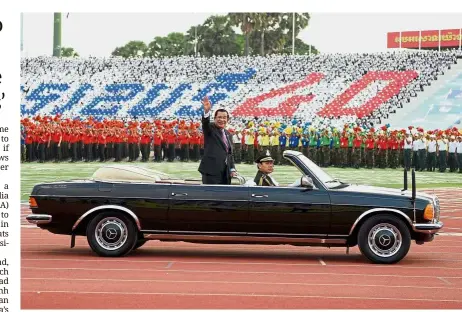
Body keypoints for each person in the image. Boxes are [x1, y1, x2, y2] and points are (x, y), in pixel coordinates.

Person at [198, 96, 238, 184]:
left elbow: (229, 154)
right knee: (211, 196)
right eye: (219, 117)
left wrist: (232, 168)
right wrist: (206, 112)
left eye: (224, 117)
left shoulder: (228, 134)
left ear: (228, 119)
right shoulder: (210, 128)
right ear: (215, 118)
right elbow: (205, 123)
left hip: (226, 172)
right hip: (211, 172)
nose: (222, 120)